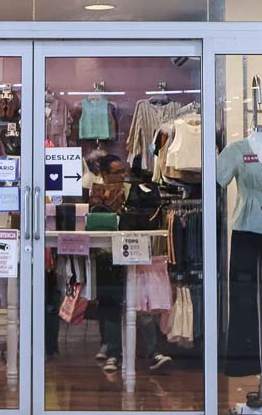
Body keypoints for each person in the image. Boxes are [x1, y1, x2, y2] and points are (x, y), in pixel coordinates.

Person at [89, 155, 173, 374]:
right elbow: (95, 221)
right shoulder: (98, 193)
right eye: (116, 172)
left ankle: (152, 352)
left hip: (133, 250)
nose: (121, 176)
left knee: (141, 302)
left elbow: (145, 218)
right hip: (107, 255)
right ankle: (113, 352)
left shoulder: (134, 191)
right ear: (104, 174)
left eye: (123, 171)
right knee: (111, 303)